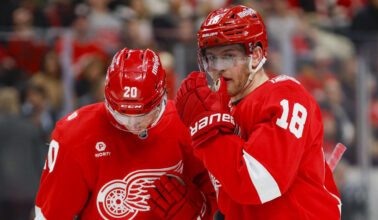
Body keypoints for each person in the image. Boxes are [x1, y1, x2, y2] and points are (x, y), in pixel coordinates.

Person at [175, 5, 341, 219]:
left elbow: (261, 183)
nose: (218, 67)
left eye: (228, 56)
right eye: (211, 58)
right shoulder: (221, 113)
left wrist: (208, 131)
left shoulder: (285, 94)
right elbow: (227, 199)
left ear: (255, 55)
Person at [34, 48, 216, 219]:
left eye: (143, 115)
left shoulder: (190, 122)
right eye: (121, 114)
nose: (132, 124)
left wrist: (199, 213)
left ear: (163, 97)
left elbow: (223, 199)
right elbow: (51, 214)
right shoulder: (75, 134)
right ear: (105, 97)